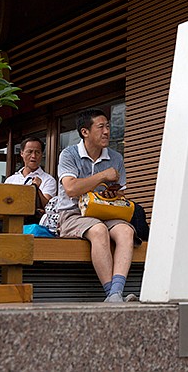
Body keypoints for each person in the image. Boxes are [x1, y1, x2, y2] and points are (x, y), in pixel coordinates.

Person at [55, 108, 138, 302]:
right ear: (85, 132)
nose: (107, 131)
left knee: (127, 232)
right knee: (99, 230)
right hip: (73, 215)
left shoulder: (116, 158)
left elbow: (121, 192)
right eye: (101, 127)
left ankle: (115, 293)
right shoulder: (69, 154)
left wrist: (113, 192)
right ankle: (113, 294)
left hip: (106, 213)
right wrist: (102, 175)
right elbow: (71, 189)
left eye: (108, 126)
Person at [5, 137, 57, 221]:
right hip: (10, 220)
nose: (33, 156)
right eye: (29, 152)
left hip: (33, 224)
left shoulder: (48, 180)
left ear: (42, 154)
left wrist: (37, 189)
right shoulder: (11, 180)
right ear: (22, 153)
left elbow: (48, 207)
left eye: (37, 152)